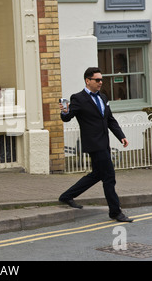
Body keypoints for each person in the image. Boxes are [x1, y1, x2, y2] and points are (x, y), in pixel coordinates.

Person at [58, 67, 132, 222]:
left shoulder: (103, 98)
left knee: (97, 174)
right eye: (97, 80)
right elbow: (67, 118)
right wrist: (64, 111)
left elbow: (110, 120)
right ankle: (115, 212)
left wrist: (121, 136)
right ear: (87, 80)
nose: (100, 82)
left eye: (101, 80)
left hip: (104, 143)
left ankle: (67, 196)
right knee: (109, 177)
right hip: (94, 144)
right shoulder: (78, 98)